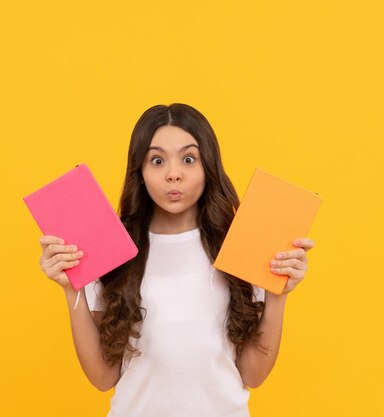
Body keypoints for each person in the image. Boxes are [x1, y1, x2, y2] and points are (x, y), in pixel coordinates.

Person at [37, 103, 315, 417]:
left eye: (188, 159)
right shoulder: (114, 250)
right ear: (140, 172)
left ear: (207, 167)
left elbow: (253, 374)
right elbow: (103, 377)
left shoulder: (241, 246)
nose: (173, 174)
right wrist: (71, 288)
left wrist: (278, 291)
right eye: (157, 160)